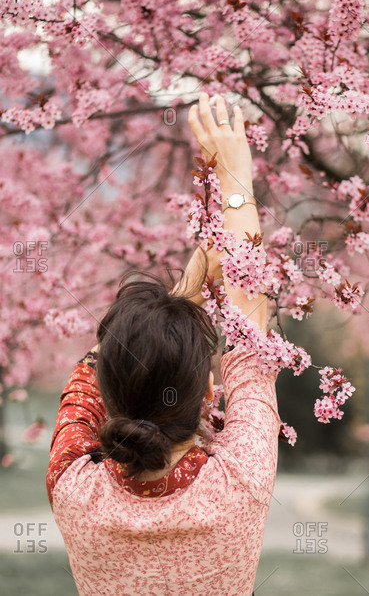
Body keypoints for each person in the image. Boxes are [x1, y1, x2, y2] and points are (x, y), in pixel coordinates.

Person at [46, 93, 281, 595]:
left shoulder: (74, 489)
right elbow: (254, 341)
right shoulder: (240, 482)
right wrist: (236, 171)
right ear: (206, 394)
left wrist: (176, 302)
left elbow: (90, 374)